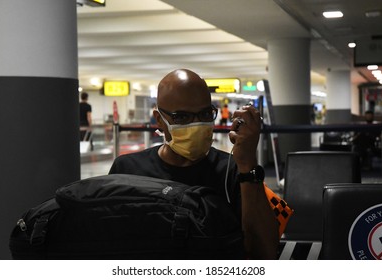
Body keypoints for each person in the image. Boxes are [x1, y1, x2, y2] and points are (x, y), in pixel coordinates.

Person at [109, 69, 279, 259]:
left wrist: (248, 163)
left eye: (206, 114)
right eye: (182, 117)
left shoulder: (233, 170)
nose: (197, 125)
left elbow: (265, 254)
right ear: (159, 120)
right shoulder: (127, 171)